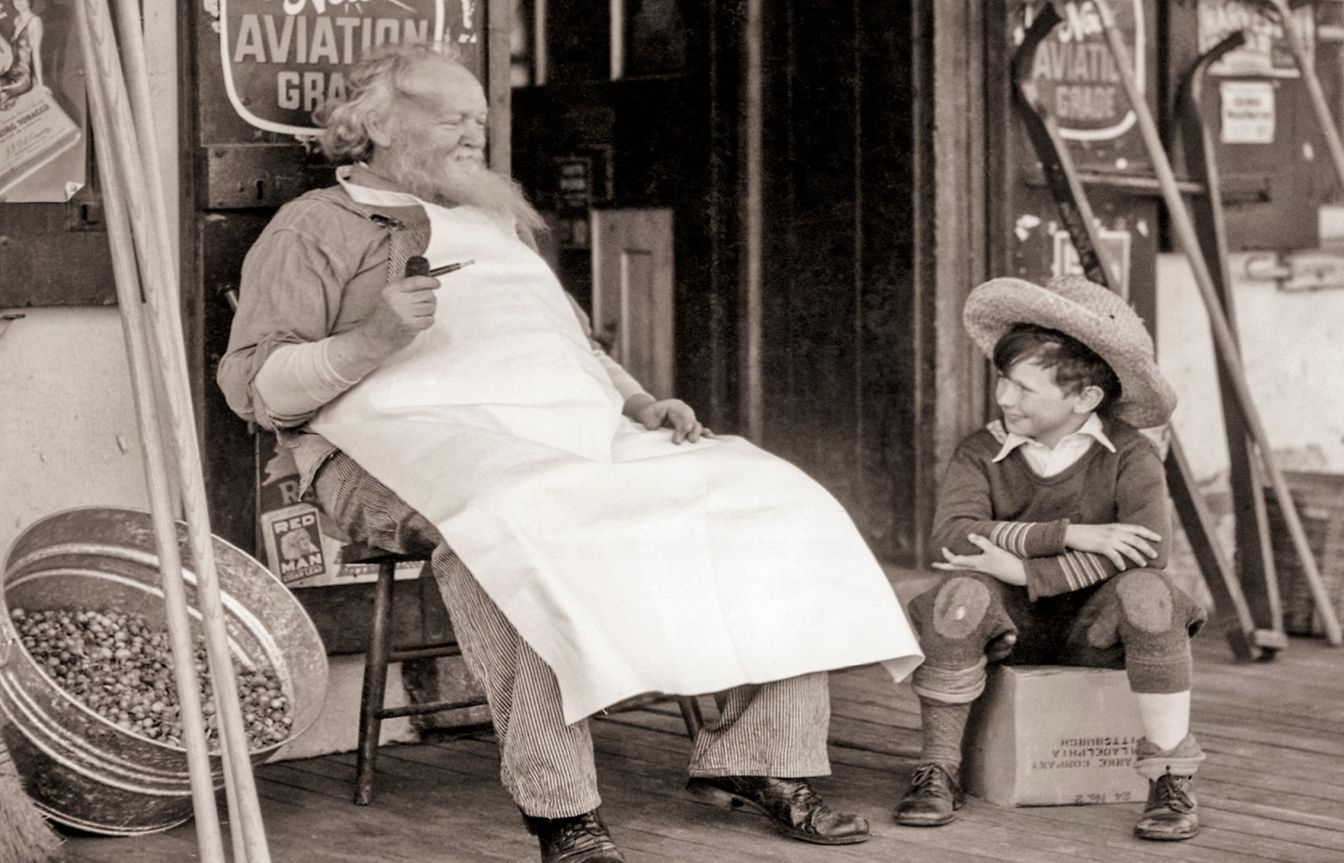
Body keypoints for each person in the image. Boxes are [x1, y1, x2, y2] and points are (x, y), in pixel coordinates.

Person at [217, 41, 921, 863]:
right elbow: (255, 387)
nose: (477, 134)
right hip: (393, 445)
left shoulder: (495, 219)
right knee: (508, 525)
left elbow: (572, 349)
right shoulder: (315, 227)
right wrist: (374, 335)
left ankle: (759, 757)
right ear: (376, 126)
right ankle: (564, 813)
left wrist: (638, 401)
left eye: (480, 119)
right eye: (452, 119)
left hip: (570, 432)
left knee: (767, 494)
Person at [892, 275, 1207, 842]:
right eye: (1002, 383)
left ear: (1084, 398)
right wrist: (1075, 536)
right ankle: (939, 768)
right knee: (959, 596)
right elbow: (951, 539)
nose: (1004, 399)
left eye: (1023, 389)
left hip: (1098, 634)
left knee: (1149, 594)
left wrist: (1021, 568)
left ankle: (1170, 776)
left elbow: (1148, 547)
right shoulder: (982, 449)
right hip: (1008, 634)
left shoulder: (1131, 453)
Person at [0, 0, 43, 111]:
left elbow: (36, 53)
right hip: (11, 72)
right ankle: (9, 99)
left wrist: (40, 83)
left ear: (29, 2)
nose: (19, 3)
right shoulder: (17, 21)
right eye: (16, 0)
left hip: (24, 78)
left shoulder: (35, 22)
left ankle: (9, 98)